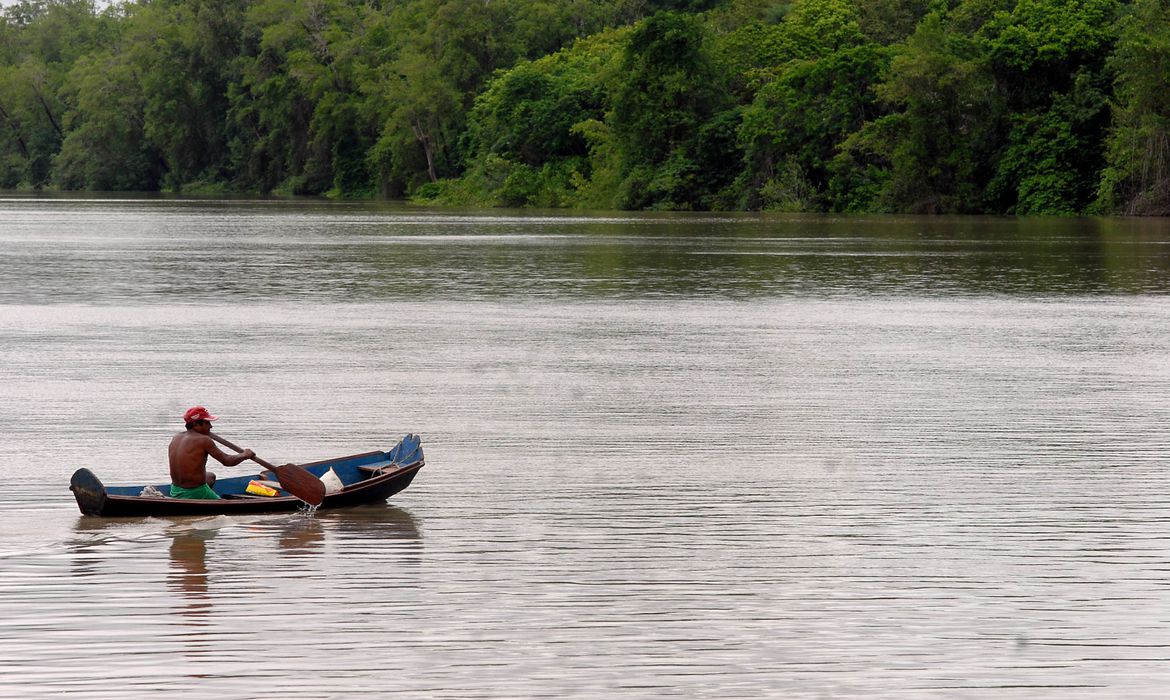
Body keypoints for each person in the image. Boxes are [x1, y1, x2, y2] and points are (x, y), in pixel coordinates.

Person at [168, 406, 256, 500]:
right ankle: (206, 497)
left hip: (175, 490)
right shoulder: (204, 440)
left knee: (210, 476)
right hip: (194, 492)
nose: (211, 426)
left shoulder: (176, 437)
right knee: (224, 503)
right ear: (196, 424)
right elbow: (227, 461)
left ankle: (205, 497)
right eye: (207, 423)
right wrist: (245, 455)